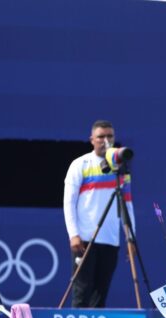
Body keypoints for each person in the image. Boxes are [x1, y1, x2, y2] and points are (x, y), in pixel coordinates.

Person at [63, 120, 135, 308]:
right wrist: (73, 235)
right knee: (81, 294)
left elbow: (127, 204)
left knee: (100, 296)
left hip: (111, 240)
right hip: (85, 239)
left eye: (109, 136)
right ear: (92, 140)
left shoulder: (120, 167)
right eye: (100, 137)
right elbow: (68, 202)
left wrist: (130, 238)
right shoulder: (80, 164)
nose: (105, 140)